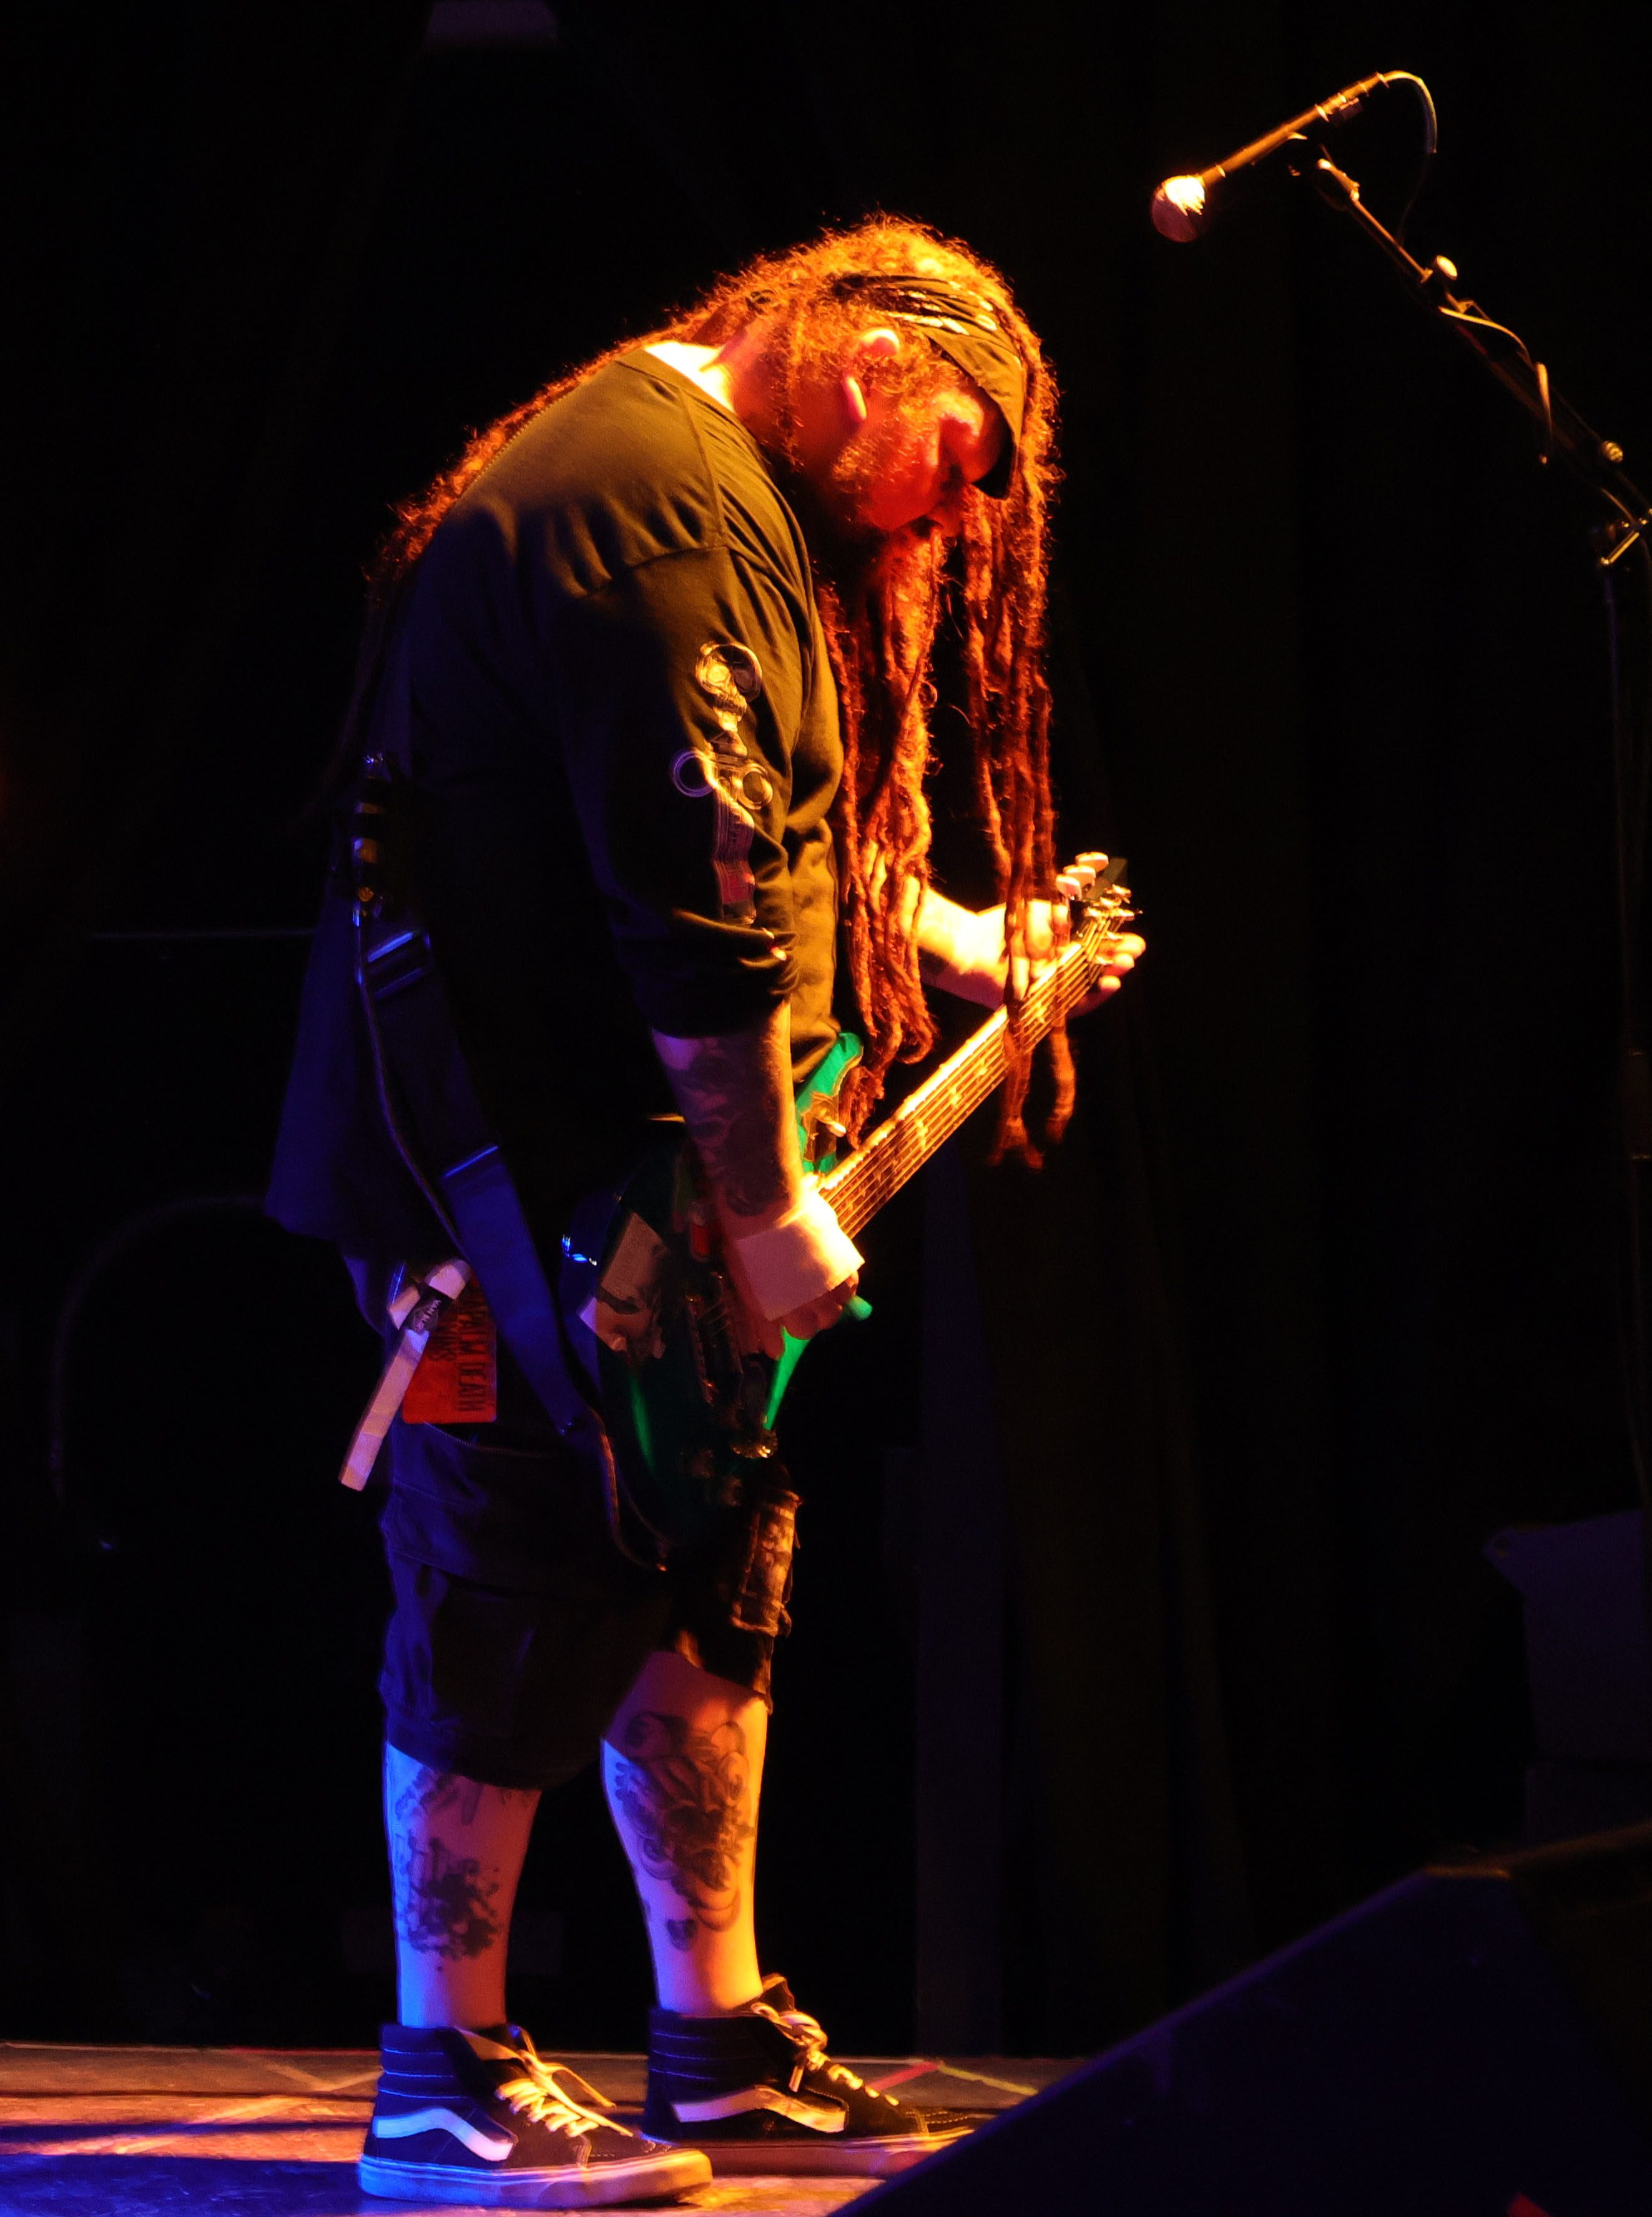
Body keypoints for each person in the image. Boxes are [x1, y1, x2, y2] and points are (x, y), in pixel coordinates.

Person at [268, 217, 1143, 2207]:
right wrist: (763, 1208)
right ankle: (446, 2079)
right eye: (962, 445)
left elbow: (778, 843)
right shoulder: (658, 513)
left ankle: (712, 2035)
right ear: (853, 351)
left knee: (700, 1574)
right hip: (513, 1189)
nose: (965, 502)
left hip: (635, 1184)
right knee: (503, 1583)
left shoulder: (721, 495)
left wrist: (958, 935)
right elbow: (698, 933)